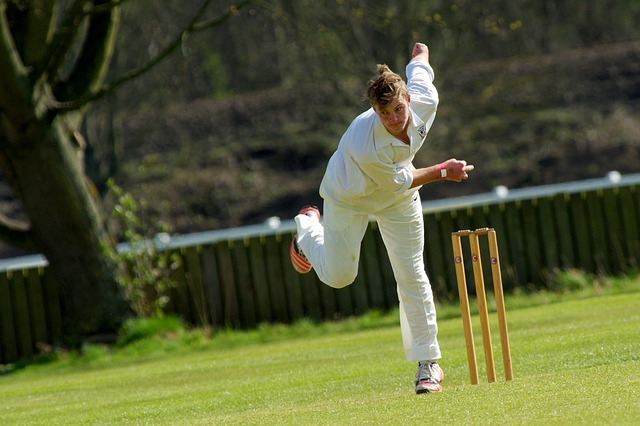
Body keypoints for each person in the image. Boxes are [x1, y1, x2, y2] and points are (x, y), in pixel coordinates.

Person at [289, 42, 474, 394]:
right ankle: (308, 228)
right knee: (341, 276)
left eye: (398, 108)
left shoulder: (425, 101)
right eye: (384, 111)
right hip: (349, 195)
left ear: (407, 99)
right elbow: (403, 179)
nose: (393, 118)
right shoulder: (365, 143)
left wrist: (421, 53)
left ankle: (428, 365)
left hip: (397, 199)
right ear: (374, 108)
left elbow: (420, 69)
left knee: (411, 271)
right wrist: (443, 170)